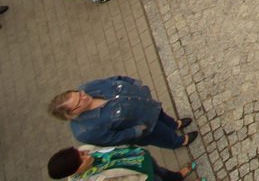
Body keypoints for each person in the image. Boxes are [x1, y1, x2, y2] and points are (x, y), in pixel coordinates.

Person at [50, 76, 197, 148]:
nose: (83, 95)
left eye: (78, 93)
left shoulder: (87, 87)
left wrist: (134, 83)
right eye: (79, 100)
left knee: (162, 116)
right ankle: (179, 141)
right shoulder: (86, 131)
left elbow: (113, 79)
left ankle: (175, 125)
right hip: (144, 127)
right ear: (73, 112)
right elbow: (114, 139)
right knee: (162, 135)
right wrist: (137, 131)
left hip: (145, 105)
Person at [46, 145, 193, 181]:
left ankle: (177, 176)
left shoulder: (83, 151)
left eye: (80, 152)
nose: (85, 152)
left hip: (140, 159)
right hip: (142, 177)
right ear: (76, 170)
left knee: (162, 172)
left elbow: (107, 149)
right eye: (81, 157)